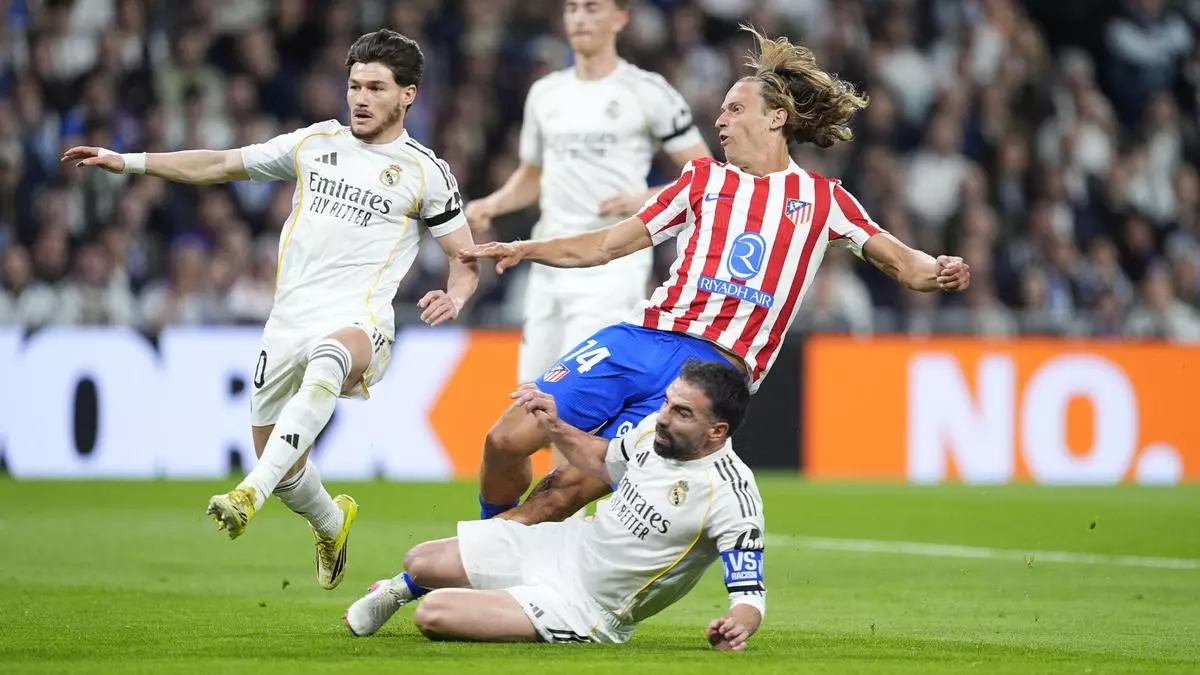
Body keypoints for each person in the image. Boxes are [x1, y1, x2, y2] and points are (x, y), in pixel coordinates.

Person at [461, 26, 971, 524]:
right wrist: (526, 247)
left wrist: (941, 269)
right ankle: (487, 537)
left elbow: (906, 264)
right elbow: (605, 244)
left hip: (711, 374)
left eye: (735, 109)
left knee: (563, 493)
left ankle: (473, 562)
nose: (720, 120)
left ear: (776, 117)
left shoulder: (824, 199)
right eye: (722, 110)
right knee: (503, 440)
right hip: (641, 339)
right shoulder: (701, 180)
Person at [62, 29, 479, 590]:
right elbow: (220, 163)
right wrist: (128, 161)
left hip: (361, 321)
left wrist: (456, 295)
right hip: (287, 323)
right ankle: (330, 521)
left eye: (376, 88)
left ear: (408, 94)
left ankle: (247, 493)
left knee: (331, 358)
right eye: (354, 85)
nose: (360, 98)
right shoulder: (313, 143)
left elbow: (465, 259)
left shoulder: (425, 171)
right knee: (285, 466)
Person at [464, 0, 710, 508]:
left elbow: (705, 173)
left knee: (571, 408)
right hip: (548, 262)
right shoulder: (546, 93)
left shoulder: (648, 91)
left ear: (620, 18)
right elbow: (531, 176)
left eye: (592, 7)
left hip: (611, 264)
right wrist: (492, 203)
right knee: (528, 406)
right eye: (572, 8)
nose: (579, 18)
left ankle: (565, 528)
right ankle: (509, 529)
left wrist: (646, 197)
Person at [344, 360, 766, 649]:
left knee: (434, 613)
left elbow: (749, 595)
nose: (665, 417)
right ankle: (397, 591)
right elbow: (601, 459)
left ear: (717, 431)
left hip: (587, 607)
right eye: (667, 402)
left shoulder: (731, 495)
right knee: (419, 562)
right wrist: (553, 425)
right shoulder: (652, 432)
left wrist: (737, 625)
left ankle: (513, 601)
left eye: (682, 412)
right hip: (563, 548)